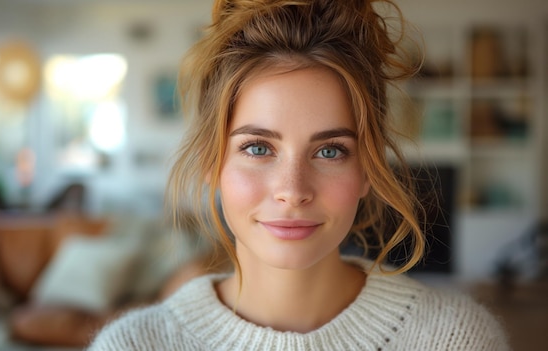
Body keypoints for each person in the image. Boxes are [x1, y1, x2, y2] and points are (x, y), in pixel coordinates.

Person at [89, 0, 510, 350]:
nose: (292, 190)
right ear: (210, 163)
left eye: (330, 151)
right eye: (258, 148)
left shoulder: (456, 339)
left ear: (368, 169)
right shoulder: (133, 345)